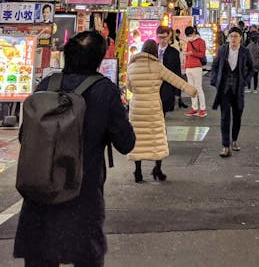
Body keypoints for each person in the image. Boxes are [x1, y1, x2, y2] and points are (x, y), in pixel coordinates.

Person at [13, 31, 135, 267]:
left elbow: (24, 136)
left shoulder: (46, 85)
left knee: (39, 258)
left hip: (41, 194)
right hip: (82, 195)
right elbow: (126, 143)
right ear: (99, 60)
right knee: (86, 258)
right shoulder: (105, 90)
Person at [127, 39, 197, 182]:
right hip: (153, 107)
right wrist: (191, 90)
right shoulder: (157, 66)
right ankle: (157, 169)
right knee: (156, 139)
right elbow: (174, 79)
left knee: (138, 139)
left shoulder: (131, 67)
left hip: (137, 108)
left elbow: (129, 87)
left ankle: (138, 172)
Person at [211, 25, 253, 157]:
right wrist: (215, 80)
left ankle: (234, 140)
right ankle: (225, 145)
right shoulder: (223, 49)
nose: (233, 38)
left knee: (237, 115)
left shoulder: (245, 51)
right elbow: (215, 66)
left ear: (241, 38)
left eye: (236, 36)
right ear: (228, 38)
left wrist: (245, 81)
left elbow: (252, 68)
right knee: (224, 117)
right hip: (224, 88)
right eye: (231, 36)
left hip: (238, 88)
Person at [155, 25, 183, 113]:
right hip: (152, 85)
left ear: (169, 37)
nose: (162, 40)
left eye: (164, 37)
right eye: (160, 37)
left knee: (162, 111)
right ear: (157, 36)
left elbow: (177, 72)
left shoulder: (174, 53)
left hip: (167, 87)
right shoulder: (152, 50)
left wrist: (177, 92)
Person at [184, 25, 207, 117]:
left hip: (197, 67)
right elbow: (187, 54)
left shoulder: (201, 41)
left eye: (189, 35)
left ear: (193, 33)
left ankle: (203, 109)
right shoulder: (188, 42)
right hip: (188, 67)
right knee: (191, 89)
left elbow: (202, 54)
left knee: (198, 88)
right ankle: (194, 108)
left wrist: (192, 53)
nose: (188, 37)